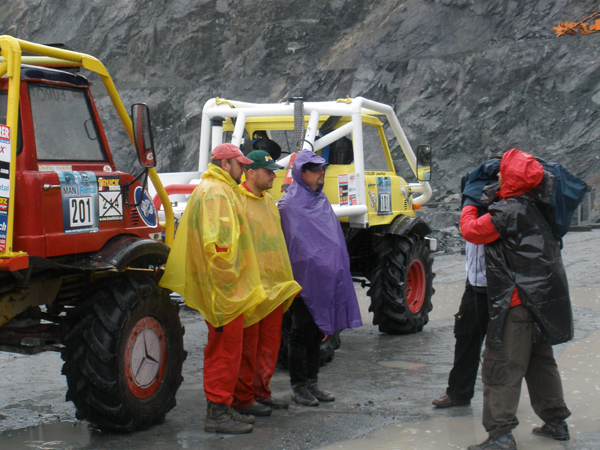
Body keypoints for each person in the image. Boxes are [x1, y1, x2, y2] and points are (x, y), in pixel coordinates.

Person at [462, 149, 573, 450]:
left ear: (510, 177)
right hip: (541, 300)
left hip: (517, 300)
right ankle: (555, 421)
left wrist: (470, 203)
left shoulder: (508, 211)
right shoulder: (539, 204)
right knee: (540, 361)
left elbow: (471, 231)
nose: (497, 175)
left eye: (502, 171)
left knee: (502, 365)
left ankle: (500, 435)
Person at [159, 143, 264, 434]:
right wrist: (230, 281)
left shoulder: (213, 189)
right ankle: (217, 413)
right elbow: (218, 244)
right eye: (239, 164)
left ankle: (224, 406)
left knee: (228, 349)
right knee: (224, 351)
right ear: (225, 164)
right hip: (223, 289)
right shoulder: (216, 192)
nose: (243, 169)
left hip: (222, 287)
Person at [278, 150, 362, 406]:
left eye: (322, 169)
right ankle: (299, 386)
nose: (320, 174)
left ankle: (313, 382)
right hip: (304, 281)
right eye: (315, 170)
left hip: (326, 279)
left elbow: (331, 238)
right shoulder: (289, 205)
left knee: (318, 331)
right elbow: (293, 244)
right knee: (301, 332)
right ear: (302, 173)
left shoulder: (320, 200)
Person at [231, 150, 302, 416]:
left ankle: (261, 392)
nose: (274, 175)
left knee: (269, 345)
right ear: (250, 173)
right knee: (248, 347)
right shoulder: (237, 200)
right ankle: (244, 397)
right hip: (250, 289)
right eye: (268, 171)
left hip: (272, 287)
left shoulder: (270, 202)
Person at [432, 241, 488, 408]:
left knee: (510, 346)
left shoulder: (495, 215)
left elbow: (474, 230)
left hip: (501, 284)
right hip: (475, 281)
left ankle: (506, 399)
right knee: (466, 335)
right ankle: (459, 393)